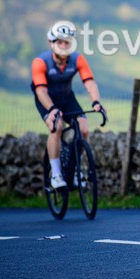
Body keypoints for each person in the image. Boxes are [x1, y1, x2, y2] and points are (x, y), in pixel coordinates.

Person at [31, 20, 106, 189]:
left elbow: (90, 82)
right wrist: (51, 109)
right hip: (46, 99)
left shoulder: (77, 59)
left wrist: (96, 102)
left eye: (67, 42)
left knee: (84, 129)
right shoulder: (40, 62)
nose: (64, 45)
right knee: (56, 127)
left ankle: (74, 171)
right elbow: (41, 91)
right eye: (60, 42)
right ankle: (56, 174)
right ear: (52, 43)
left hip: (67, 98)